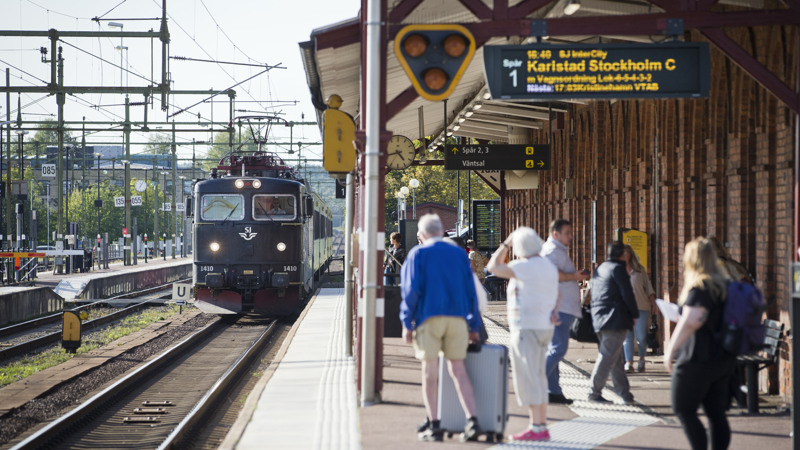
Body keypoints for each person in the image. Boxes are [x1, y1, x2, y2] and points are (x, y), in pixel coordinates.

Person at [399, 214, 482, 442]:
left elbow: (410, 292)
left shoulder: (418, 254)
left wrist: (407, 323)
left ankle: (434, 424)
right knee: (459, 370)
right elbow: (471, 291)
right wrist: (473, 325)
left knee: (430, 372)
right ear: (441, 232)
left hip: (429, 319)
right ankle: (473, 420)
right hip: (457, 319)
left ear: (422, 234)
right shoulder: (458, 254)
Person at [486, 227, 560, 442]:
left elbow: (492, 267)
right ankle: (540, 424)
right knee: (538, 376)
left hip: (526, 327)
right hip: (545, 327)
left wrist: (505, 243)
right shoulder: (549, 267)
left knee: (529, 378)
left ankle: (537, 427)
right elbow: (559, 293)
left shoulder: (524, 266)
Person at [664, 237, 736, 450]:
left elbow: (693, 320)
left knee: (683, 409)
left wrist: (670, 350)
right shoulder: (725, 284)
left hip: (698, 358)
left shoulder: (701, 286)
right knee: (716, 414)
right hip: (723, 358)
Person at [540, 219, 590, 404]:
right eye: (567, 233)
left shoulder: (558, 250)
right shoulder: (553, 251)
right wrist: (575, 276)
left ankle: (553, 391)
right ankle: (536, 382)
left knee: (554, 348)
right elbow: (551, 273)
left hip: (561, 306)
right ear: (556, 234)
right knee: (558, 349)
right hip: (559, 308)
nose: (571, 236)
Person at [588, 242, 637, 404]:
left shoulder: (601, 268)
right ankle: (593, 393)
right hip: (615, 319)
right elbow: (627, 293)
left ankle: (625, 395)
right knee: (607, 356)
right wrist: (634, 314)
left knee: (616, 360)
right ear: (622, 254)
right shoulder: (618, 269)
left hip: (599, 318)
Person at [621, 244, 656, 373]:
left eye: (626, 253)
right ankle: (628, 363)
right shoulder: (617, 271)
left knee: (641, 337)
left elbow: (649, 289)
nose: (624, 256)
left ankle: (642, 359)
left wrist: (653, 304)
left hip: (641, 308)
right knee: (627, 337)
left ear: (631, 255)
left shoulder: (640, 270)